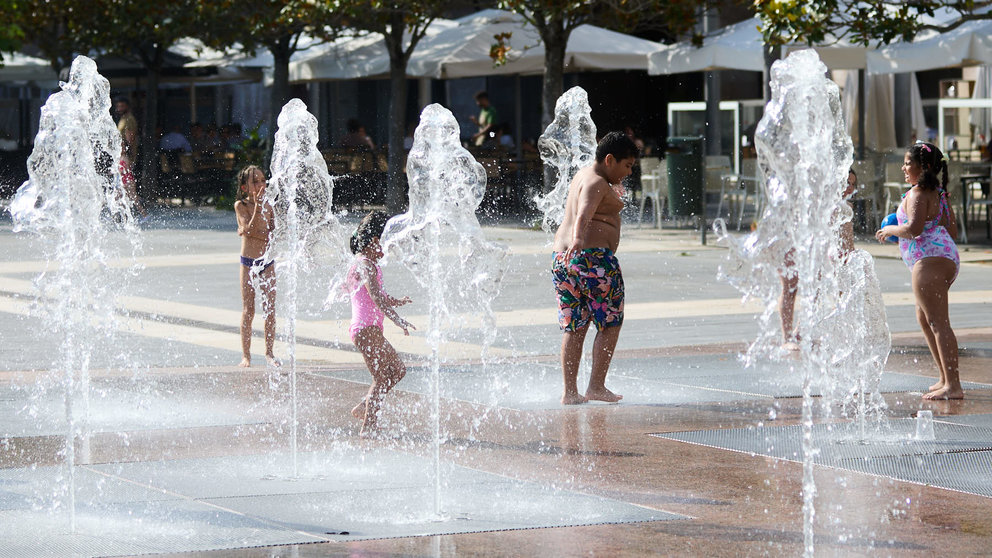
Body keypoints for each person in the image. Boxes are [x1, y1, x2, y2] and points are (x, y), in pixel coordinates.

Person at [551, 131, 638, 405]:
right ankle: (596, 387)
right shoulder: (598, 182)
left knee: (575, 325)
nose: (629, 172)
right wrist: (579, 239)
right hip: (592, 261)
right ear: (610, 160)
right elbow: (584, 212)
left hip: (563, 261)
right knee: (610, 322)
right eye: (627, 165)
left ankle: (570, 392)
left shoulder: (583, 175)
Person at [876, 141, 961, 400]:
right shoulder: (939, 194)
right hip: (944, 258)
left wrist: (890, 229)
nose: (903, 167)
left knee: (938, 323)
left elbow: (913, 230)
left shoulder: (917, 194)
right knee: (926, 319)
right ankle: (944, 378)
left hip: (929, 261)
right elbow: (953, 231)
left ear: (922, 166)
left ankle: (954, 385)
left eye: (907, 163)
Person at [346, 211, 415, 437]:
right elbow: (374, 296)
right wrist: (397, 319)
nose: (386, 250)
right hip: (366, 329)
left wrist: (397, 302)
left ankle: (364, 407)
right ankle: (369, 427)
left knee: (396, 371)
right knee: (384, 376)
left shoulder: (367, 264)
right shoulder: (365, 264)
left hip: (368, 329)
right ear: (375, 240)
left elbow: (378, 296)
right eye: (385, 243)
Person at [779, 169, 858, 350]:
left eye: (853, 184)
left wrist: (848, 257)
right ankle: (787, 337)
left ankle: (800, 332)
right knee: (791, 287)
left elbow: (847, 239)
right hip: (792, 243)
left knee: (815, 290)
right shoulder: (815, 197)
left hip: (816, 249)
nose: (849, 187)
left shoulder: (845, 207)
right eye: (846, 182)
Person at [235, 165, 280, 368]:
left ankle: (269, 353)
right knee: (249, 310)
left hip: (266, 262)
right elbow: (249, 228)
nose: (261, 185)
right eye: (255, 181)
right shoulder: (241, 206)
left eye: (263, 180)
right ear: (245, 187)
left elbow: (271, 233)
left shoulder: (269, 205)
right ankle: (246, 355)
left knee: (270, 309)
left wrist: (253, 232)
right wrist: (258, 211)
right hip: (248, 263)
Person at [114, 97, 139, 164]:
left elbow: (130, 139)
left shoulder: (129, 119)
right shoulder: (123, 119)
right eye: (118, 106)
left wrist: (126, 151)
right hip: (122, 153)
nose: (119, 109)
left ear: (127, 106)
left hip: (127, 154)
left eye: (122, 106)